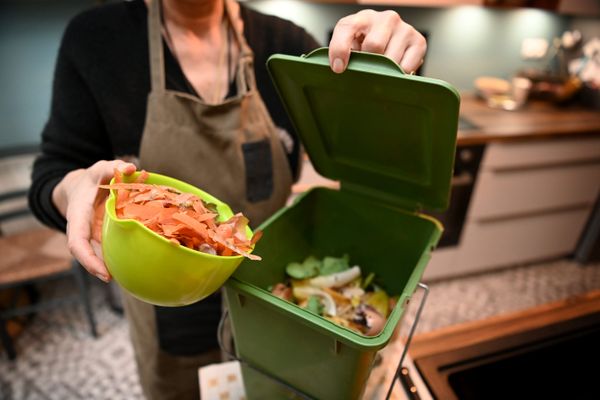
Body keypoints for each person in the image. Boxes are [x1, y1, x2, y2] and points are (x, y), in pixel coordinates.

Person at [29, 0, 426, 398]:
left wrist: (388, 71)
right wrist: (73, 187)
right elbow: (52, 173)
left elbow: (374, 150)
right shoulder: (96, 39)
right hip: (166, 305)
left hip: (273, 298)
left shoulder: (287, 43)